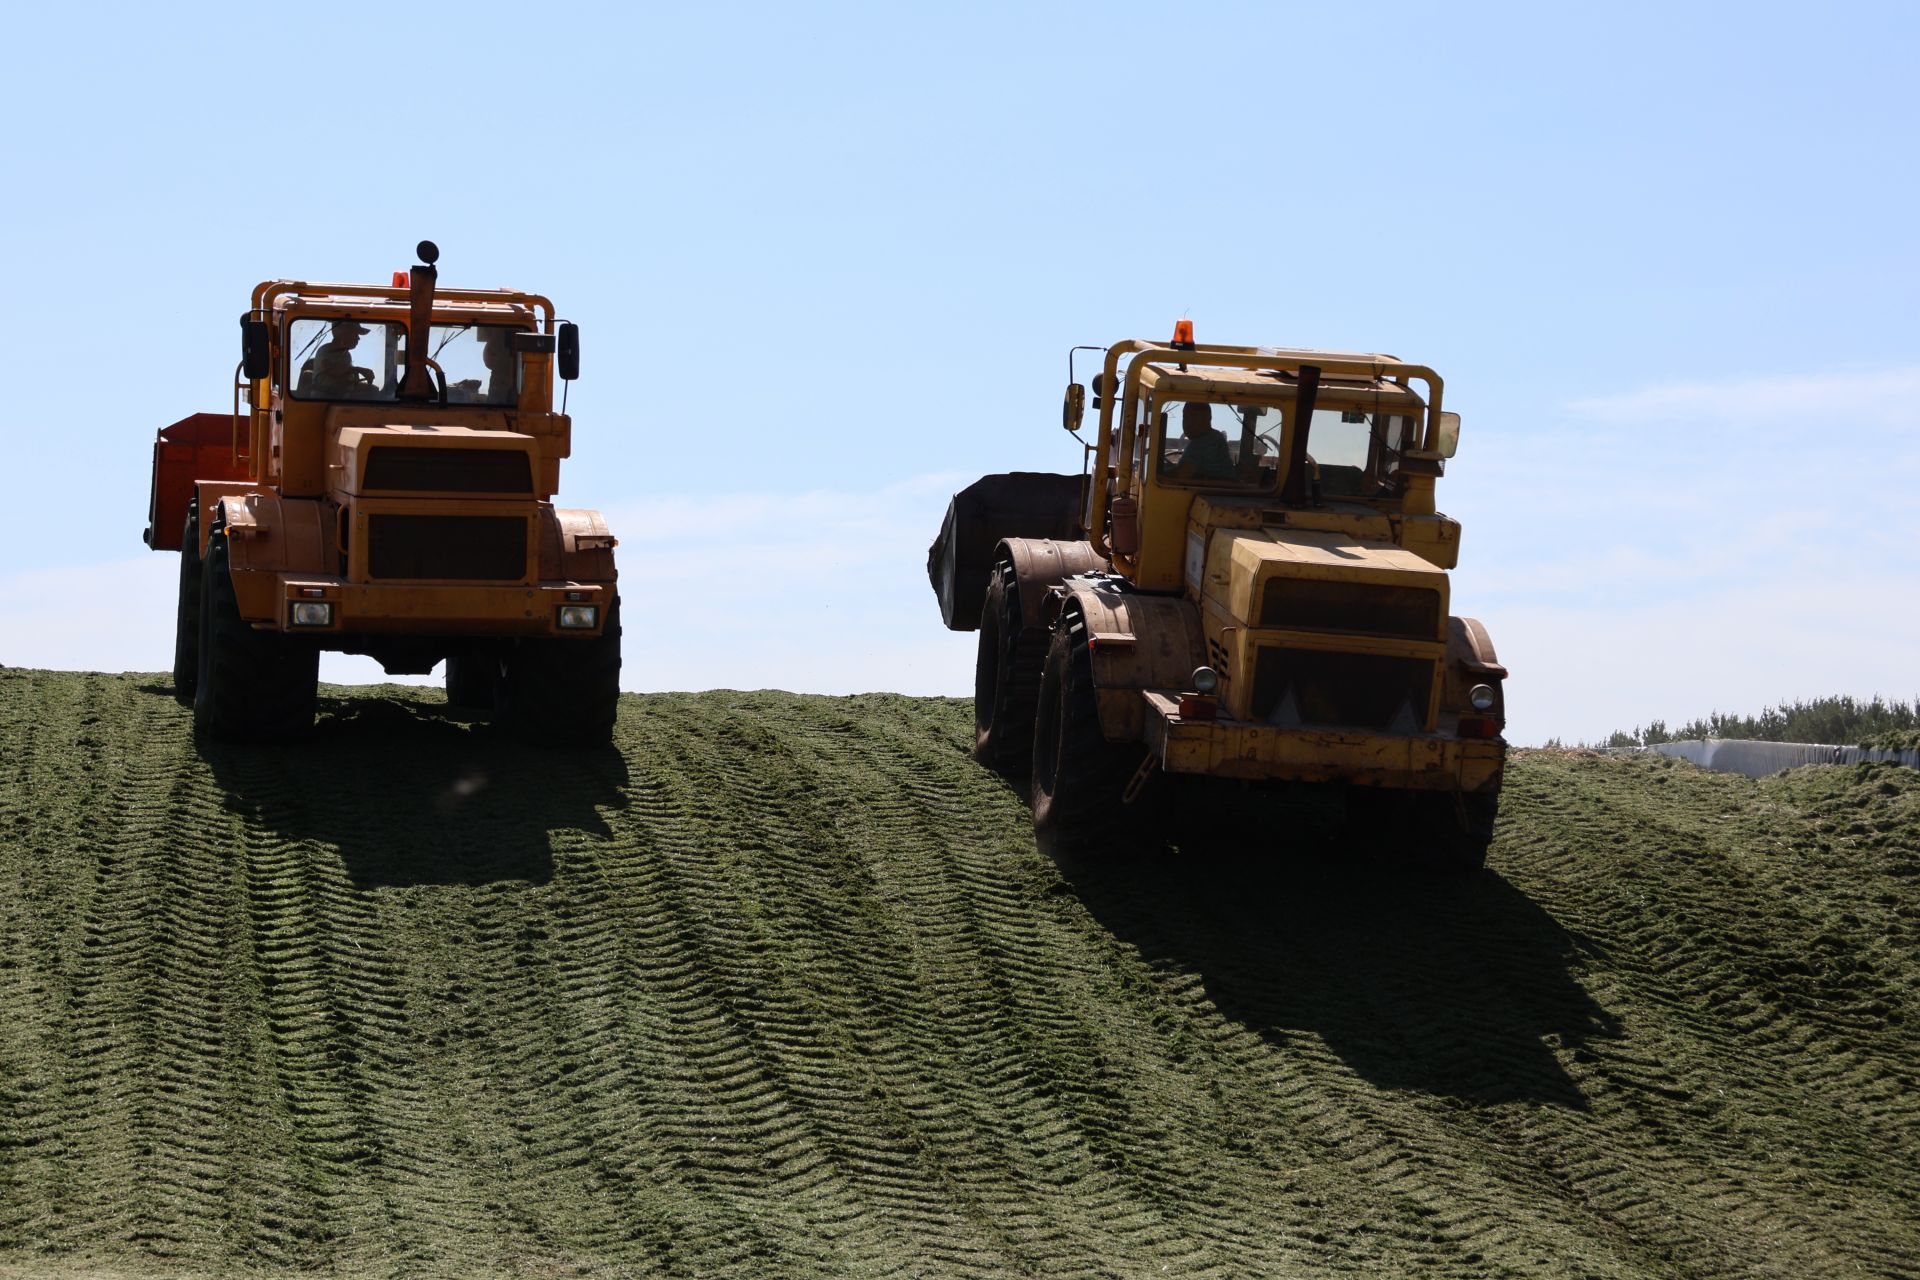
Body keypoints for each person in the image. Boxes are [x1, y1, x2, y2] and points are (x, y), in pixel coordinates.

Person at [307, 320, 377, 398]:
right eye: (355, 334)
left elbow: (346, 376)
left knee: (373, 391)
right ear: (343, 334)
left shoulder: (347, 355)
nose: (358, 338)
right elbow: (333, 370)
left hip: (342, 398)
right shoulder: (326, 350)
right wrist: (359, 370)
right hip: (323, 400)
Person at [1168, 402, 1235, 480]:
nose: (1188, 423)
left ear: (1208, 418)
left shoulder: (1205, 443)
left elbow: (1181, 476)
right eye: (1185, 417)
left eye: (1194, 417)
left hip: (1211, 491)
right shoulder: (1216, 436)